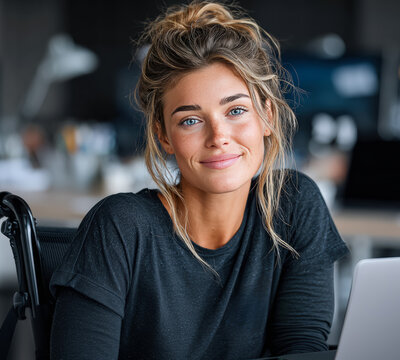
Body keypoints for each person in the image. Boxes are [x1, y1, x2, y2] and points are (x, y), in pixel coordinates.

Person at [49, 1, 349, 359]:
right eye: (190, 120)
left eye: (236, 110)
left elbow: (302, 350)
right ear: (163, 135)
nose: (218, 136)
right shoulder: (120, 228)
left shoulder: (295, 205)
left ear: (266, 116)